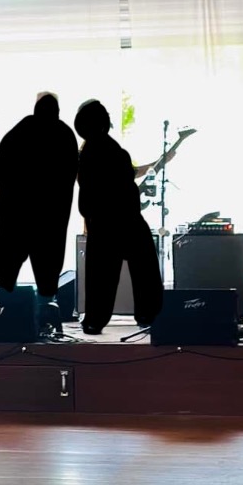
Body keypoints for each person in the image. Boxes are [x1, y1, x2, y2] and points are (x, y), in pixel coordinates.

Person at [73, 99, 163, 335]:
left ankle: (94, 321)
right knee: (145, 269)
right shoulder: (113, 150)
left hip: (101, 221)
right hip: (126, 218)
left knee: (100, 275)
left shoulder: (87, 152)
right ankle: (149, 315)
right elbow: (126, 182)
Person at [0, 93, 79, 301]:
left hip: (16, 215)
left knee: (8, 269)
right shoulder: (64, 134)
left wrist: (9, 195)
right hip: (51, 218)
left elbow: (0, 163)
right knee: (48, 271)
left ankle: (4, 309)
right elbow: (70, 173)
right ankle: (47, 309)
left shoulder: (19, 131)